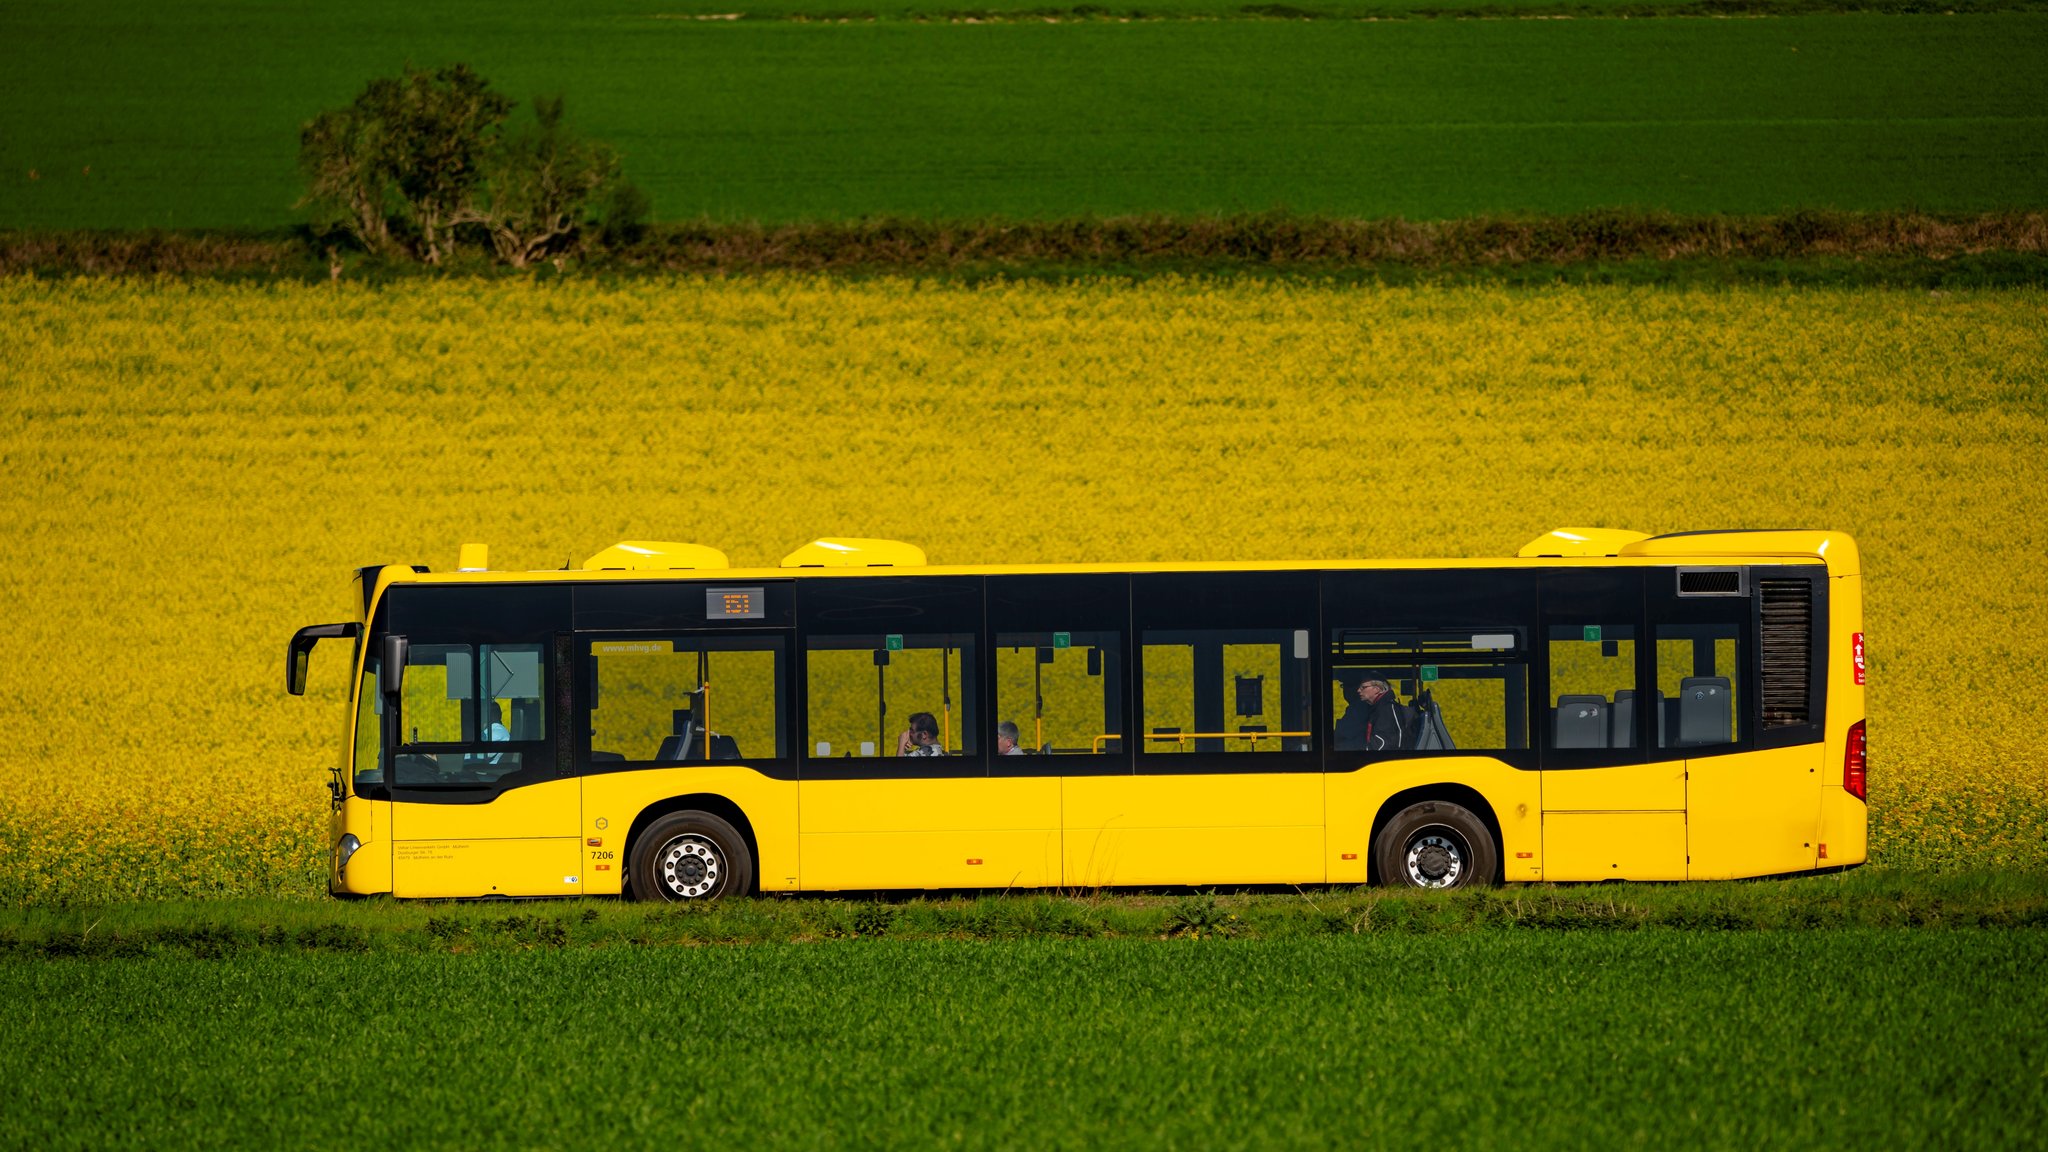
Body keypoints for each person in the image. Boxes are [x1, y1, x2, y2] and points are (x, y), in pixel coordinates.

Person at [1334, 678, 1406, 752]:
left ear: (1377, 688)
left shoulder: (1387, 709)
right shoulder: (1376, 708)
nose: (1358, 690)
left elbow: (1383, 744)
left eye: (1363, 687)